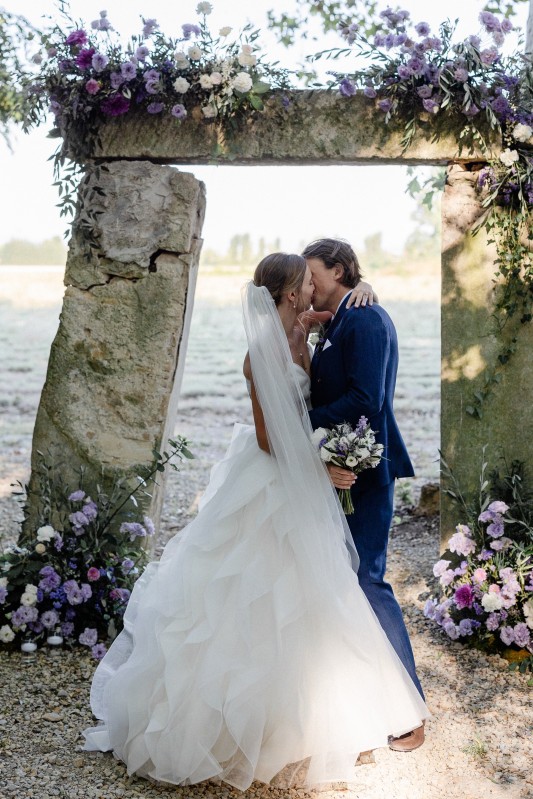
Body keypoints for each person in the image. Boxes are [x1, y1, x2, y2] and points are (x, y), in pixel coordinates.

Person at [82, 253, 429, 790]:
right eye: (304, 281)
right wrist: (319, 462)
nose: (311, 287)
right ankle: (241, 724)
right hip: (274, 478)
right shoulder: (261, 353)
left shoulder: (310, 330)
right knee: (261, 592)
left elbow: (344, 342)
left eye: (317, 277)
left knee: (320, 590)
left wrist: (367, 289)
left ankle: (331, 712)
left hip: (306, 478)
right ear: (293, 294)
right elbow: (271, 437)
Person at [302, 238, 425, 752]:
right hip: (338, 467)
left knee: (369, 581)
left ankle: (412, 711)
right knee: (338, 583)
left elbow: (365, 399)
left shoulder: (368, 319)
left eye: (313, 275)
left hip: (367, 473)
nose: (308, 286)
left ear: (339, 269)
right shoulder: (338, 319)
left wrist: (296, 425)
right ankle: (358, 704)